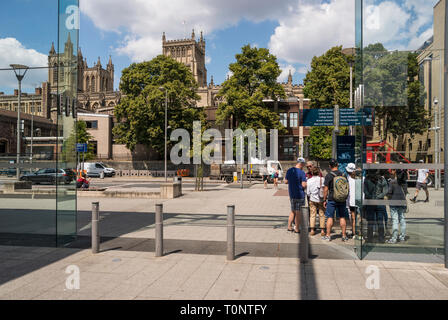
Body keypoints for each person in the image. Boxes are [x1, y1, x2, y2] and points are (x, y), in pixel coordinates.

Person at [322, 159, 350, 242]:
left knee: (330, 217)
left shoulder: (329, 175)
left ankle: (328, 235)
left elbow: (326, 189)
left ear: (330, 166)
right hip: (342, 199)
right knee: (342, 217)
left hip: (332, 199)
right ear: (337, 165)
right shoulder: (343, 174)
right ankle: (344, 235)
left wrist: (324, 200)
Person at [284, 157, 308, 233]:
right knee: (298, 212)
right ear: (302, 164)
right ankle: (297, 228)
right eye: (303, 164)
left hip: (292, 194)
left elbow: (285, 181)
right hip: (299, 195)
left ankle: (289, 226)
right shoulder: (302, 173)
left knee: (292, 211)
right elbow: (303, 185)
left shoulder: (290, 170)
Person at [386, 169, 407, 244]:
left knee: (395, 220)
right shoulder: (404, 183)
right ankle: (402, 236)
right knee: (402, 219)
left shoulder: (392, 182)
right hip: (402, 203)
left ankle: (394, 238)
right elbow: (405, 192)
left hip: (394, 203)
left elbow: (389, 192)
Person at [306, 166, 326, 236]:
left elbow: (308, 193)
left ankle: (312, 230)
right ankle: (322, 230)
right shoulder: (322, 179)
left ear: (312, 172)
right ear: (319, 172)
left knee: (312, 214)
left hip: (312, 199)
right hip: (321, 199)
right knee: (322, 214)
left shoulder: (309, 180)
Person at [346, 163, 358, 238]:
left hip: (351, 201)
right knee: (357, 218)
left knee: (353, 217)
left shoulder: (347, 179)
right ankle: (355, 232)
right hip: (358, 201)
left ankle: (354, 233)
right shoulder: (360, 178)